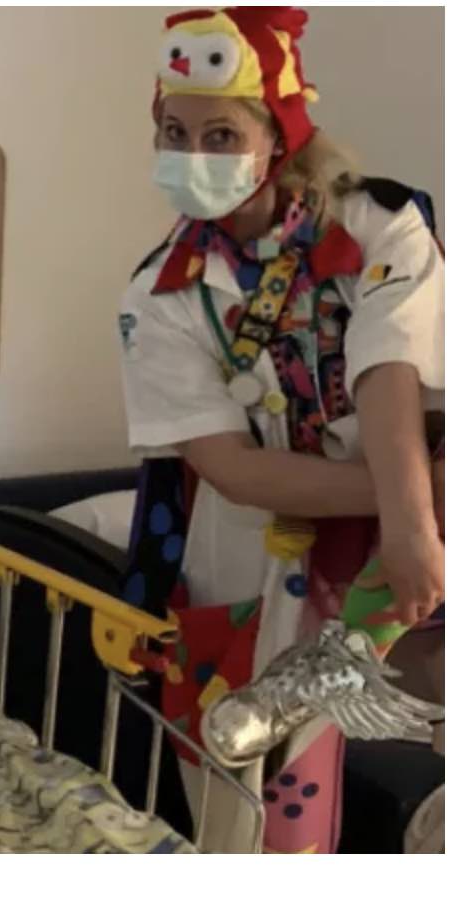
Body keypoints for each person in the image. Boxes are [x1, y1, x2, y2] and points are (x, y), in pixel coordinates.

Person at [116, 7, 443, 853]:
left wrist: (411, 526)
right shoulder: (160, 293)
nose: (194, 156)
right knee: (247, 818)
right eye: (174, 132)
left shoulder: (378, 225)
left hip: (396, 532)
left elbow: (388, 368)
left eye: (221, 135)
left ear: (279, 137)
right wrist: (412, 499)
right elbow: (231, 467)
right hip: (252, 551)